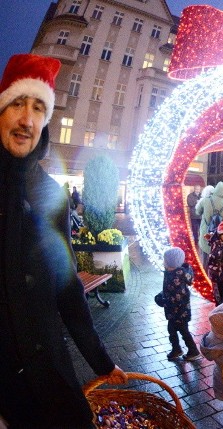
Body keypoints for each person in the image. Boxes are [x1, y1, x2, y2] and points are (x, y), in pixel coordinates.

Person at [0, 53, 127, 427]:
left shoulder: (50, 195)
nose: (27, 119)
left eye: (38, 108)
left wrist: (101, 360)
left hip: (48, 370)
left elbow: (67, 288)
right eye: (17, 104)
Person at [161, 247, 200, 361]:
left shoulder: (177, 275)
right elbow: (167, 289)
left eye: (165, 260)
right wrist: (162, 296)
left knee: (183, 331)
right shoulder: (170, 272)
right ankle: (176, 349)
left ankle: (193, 351)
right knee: (172, 330)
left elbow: (175, 296)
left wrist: (163, 300)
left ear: (170, 262)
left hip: (180, 311)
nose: (163, 262)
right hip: (174, 310)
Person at [195, 181, 223, 263]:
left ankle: (206, 275)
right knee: (216, 261)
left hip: (205, 233)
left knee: (205, 260)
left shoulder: (206, 200)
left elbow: (197, 212)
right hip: (219, 236)